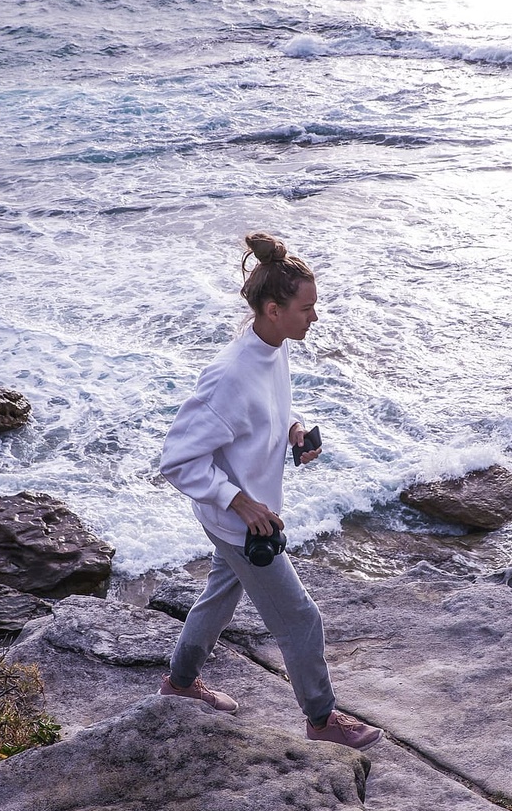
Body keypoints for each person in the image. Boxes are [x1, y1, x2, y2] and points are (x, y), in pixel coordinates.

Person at [158, 232, 383, 752]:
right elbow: (176, 459)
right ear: (273, 308)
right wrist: (239, 501)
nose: (315, 317)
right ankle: (321, 717)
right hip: (243, 523)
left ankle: (180, 683)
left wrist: (294, 431)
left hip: (242, 517)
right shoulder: (229, 375)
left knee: (218, 598)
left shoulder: (273, 349)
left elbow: (265, 414)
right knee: (301, 618)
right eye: (308, 308)